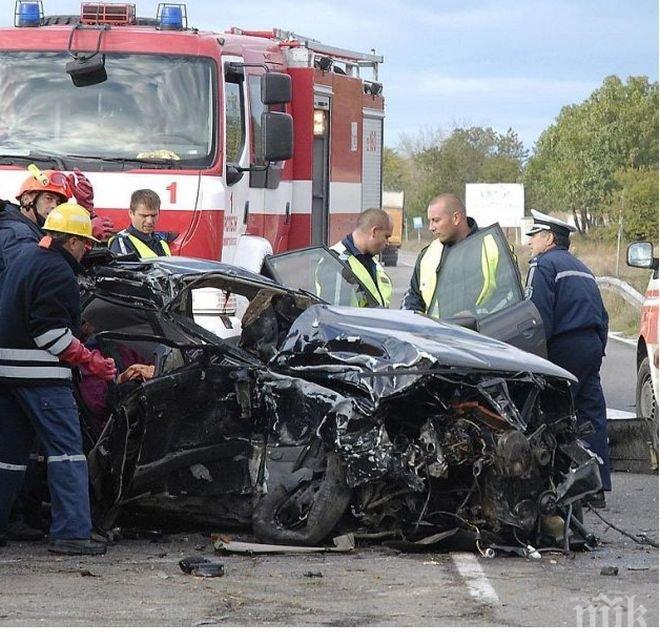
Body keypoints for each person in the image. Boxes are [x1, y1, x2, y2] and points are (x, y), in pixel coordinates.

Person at [0, 203, 116, 554]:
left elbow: (27, 318)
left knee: (8, 457)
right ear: (74, 242)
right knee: (67, 453)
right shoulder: (58, 271)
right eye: (87, 243)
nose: (88, 250)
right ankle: (72, 533)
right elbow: (50, 334)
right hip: (42, 377)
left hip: (7, 373)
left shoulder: (25, 260)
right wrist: (92, 360)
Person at [525, 210, 611, 505]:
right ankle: (596, 489)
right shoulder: (582, 267)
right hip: (590, 345)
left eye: (534, 237)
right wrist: (597, 348)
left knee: (552, 416)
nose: (530, 244)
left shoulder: (543, 264)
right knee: (591, 415)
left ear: (548, 238)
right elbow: (603, 315)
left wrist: (535, 357)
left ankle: (557, 487)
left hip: (562, 347)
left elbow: (537, 314)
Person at [401, 193, 506, 318]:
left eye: (436, 220)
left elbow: (508, 296)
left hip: (480, 335)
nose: (431, 227)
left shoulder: (493, 247)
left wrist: (477, 317)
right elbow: (413, 298)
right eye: (430, 221)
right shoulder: (427, 255)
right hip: (437, 335)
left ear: (456, 218)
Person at [0, 166, 113, 274]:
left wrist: (85, 212)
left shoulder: (32, 227)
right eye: (48, 198)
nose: (54, 206)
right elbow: (42, 271)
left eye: (58, 202)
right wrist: (80, 236)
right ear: (26, 199)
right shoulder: (16, 234)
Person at [327, 208, 393, 307]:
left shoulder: (372, 262)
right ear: (374, 232)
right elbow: (336, 316)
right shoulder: (335, 262)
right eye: (386, 236)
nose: (387, 243)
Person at [109, 189, 172, 258]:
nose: (149, 221)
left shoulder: (162, 242)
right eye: (144, 216)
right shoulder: (121, 242)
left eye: (153, 215)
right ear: (131, 213)